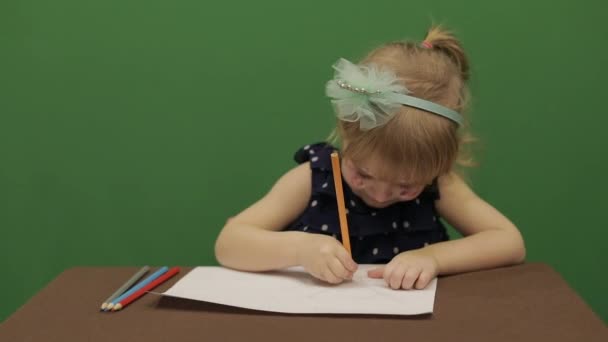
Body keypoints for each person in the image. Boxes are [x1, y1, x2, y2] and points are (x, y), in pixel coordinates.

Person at [215, 26, 525, 290]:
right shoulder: (314, 178)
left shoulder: (439, 184)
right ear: (347, 135)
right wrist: (300, 248)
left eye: (406, 187)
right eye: (363, 174)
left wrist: (432, 258)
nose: (380, 194)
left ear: (435, 167)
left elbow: (509, 242)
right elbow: (229, 243)